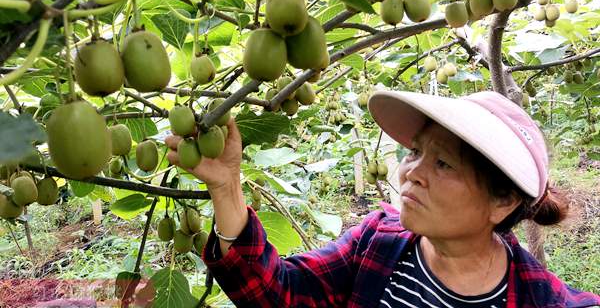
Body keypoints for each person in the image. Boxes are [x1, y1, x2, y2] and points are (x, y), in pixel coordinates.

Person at [165, 90, 600, 307]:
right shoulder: (377, 241)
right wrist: (226, 187)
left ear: (501, 202)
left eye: (443, 164)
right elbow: (279, 293)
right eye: (415, 152)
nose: (411, 172)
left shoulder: (540, 299)